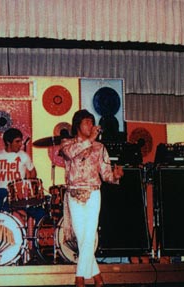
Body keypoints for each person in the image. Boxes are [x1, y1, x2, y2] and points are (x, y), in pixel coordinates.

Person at [59, 109, 124, 287]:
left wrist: (115, 176)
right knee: (83, 237)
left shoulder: (100, 147)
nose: (91, 125)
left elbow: (106, 174)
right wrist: (90, 140)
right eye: (87, 122)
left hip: (94, 192)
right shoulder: (67, 143)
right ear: (78, 125)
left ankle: (80, 278)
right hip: (75, 193)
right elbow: (72, 154)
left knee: (89, 236)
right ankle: (97, 277)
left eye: (91, 122)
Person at [0, 127, 45, 227]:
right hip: (2, 191)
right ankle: (17, 221)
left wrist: (27, 183)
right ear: (8, 142)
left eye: (21, 141)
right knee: (7, 215)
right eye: (17, 142)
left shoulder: (24, 156)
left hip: (19, 193)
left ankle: (33, 239)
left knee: (40, 213)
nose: (20, 144)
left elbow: (33, 173)